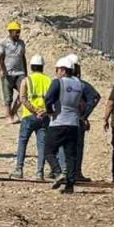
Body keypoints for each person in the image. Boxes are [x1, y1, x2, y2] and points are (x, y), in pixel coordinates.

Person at [43, 57, 85, 194]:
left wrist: (49, 111)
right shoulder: (79, 84)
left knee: (48, 151)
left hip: (58, 122)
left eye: (57, 70)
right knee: (71, 155)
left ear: (62, 70)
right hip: (74, 123)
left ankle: (57, 172)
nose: (57, 73)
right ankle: (70, 186)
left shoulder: (58, 82)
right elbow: (84, 103)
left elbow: (48, 98)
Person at [11, 55, 51, 180]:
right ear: (42, 66)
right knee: (42, 144)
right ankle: (39, 173)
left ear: (31, 66)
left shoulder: (26, 80)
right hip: (44, 117)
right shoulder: (49, 80)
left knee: (23, 142)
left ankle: (19, 170)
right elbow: (51, 99)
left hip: (29, 116)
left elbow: (22, 98)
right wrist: (43, 111)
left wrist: (33, 110)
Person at [0, 22, 27, 123]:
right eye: (16, 32)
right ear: (10, 32)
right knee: (8, 96)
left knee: (24, 93)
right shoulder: (3, 43)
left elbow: (23, 57)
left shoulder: (21, 43)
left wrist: (26, 72)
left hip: (20, 73)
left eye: (19, 32)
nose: (18, 34)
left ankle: (14, 111)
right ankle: (8, 115)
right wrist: (1, 70)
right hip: (8, 73)